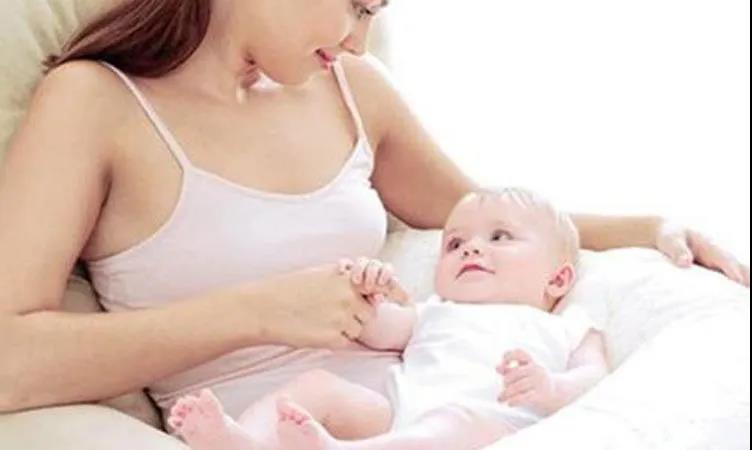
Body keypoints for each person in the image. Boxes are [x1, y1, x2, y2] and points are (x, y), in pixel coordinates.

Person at [0, 0, 746, 434]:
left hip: (412, 412)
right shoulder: (94, 104)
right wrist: (257, 313)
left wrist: (647, 228)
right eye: (357, 5)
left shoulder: (353, 88)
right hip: (257, 429)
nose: (360, 37)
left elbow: (476, 212)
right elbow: (9, 360)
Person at [166, 188, 608, 450]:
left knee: (457, 422)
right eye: (455, 244)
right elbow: (374, 328)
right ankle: (243, 440)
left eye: (500, 237)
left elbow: (595, 377)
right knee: (317, 385)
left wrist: (552, 388)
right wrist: (366, 288)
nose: (472, 248)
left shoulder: (568, 325)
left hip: (494, 428)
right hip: (397, 418)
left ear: (558, 279)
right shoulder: (433, 311)